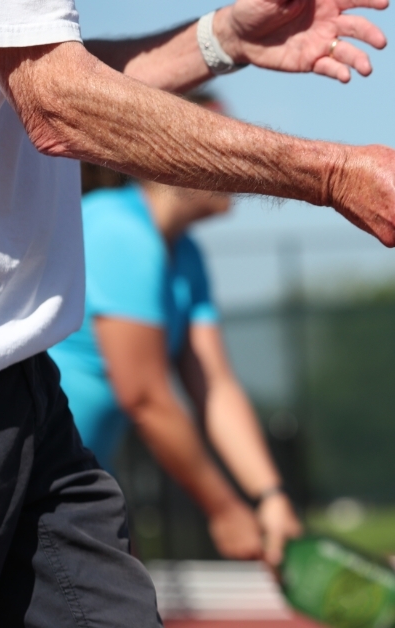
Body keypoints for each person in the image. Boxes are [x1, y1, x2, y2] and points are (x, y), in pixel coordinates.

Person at [0, 0, 395, 624]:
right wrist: (333, 174)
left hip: (19, 401)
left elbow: (45, 73)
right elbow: (57, 101)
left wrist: (220, 40)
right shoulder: (124, 239)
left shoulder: (184, 260)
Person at [51, 95, 300, 564]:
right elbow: (144, 396)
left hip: (65, 484)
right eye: (223, 144)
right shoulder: (118, 230)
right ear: (173, 154)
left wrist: (270, 497)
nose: (242, 161)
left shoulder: (186, 256)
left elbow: (215, 386)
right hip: (6, 482)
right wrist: (224, 509)